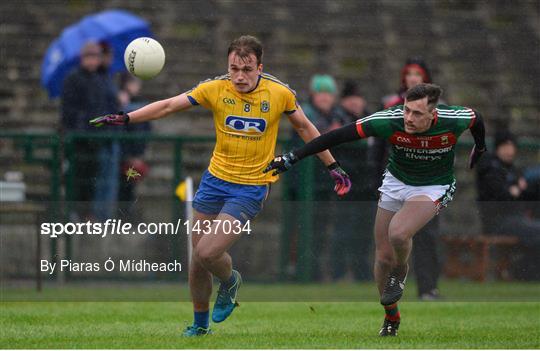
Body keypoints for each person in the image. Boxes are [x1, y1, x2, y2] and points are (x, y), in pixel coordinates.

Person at [90, 35, 352, 336]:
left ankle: (230, 282)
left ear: (259, 67)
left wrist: (332, 165)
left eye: (247, 69)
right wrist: (126, 118)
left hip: (251, 186)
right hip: (215, 181)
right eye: (234, 68)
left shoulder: (279, 93)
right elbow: (168, 106)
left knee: (206, 253)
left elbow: (306, 127)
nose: (239, 76)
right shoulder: (215, 88)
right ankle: (200, 327)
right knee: (197, 260)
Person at [265, 83, 487, 337]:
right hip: (396, 182)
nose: (409, 118)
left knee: (399, 234)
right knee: (382, 258)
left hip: (433, 186)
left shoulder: (454, 119)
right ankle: (391, 316)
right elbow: (336, 136)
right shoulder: (388, 120)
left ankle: (400, 273)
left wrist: (479, 147)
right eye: (406, 110)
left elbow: (477, 119)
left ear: (433, 114)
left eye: (417, 114)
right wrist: (293, 157)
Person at [378, 58, 443, 300]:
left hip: (428, 183)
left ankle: (428, 287)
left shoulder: (442, 111)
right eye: (409, 73)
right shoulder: (390, 107)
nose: (413, 77)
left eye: (418, 73)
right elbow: (379, 149)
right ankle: (390, 290)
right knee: (389, 240)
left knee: (427, 236)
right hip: (397, 180)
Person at [61, 41, 118, 220]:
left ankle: (88, 214)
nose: (92, 61)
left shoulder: (103, 79)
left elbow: (108, 106)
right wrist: (84, 126)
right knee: (78, 178)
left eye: (95, 57)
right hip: (80, 139)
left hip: (98, 138)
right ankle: (76, 213)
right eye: (89, 57)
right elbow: (69, 111)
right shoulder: (73, 78)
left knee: (93, 180)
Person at [476, 130, 540, 280]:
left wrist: (516, 190)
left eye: (512, 146)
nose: (510, 150)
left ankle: (526, 271)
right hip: (498, 222)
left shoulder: (513, 170)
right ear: (498, 147)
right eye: (506, 146)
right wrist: (514, 189)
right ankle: (522, 272)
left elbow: (522, 193)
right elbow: (501, 194)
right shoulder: (489, 167)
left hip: (516, 219)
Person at [330, 80, 373, 281]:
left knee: (364, 231)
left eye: (358, 98)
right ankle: (337, 273)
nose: (355, 103)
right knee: (343, 229)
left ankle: (362, 273)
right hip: (346, 182)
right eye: (351, 99)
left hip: (366, 184)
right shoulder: (338, 117)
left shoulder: (369, 117)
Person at [117, 73, 151, 221]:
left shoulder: (141, 103)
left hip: (135, 155)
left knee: (130, 185)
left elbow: (145, 129)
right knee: (124, 185)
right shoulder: (120, 103)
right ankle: (123, 215)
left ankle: (127, 214)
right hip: (125, 156)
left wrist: (138, 154)